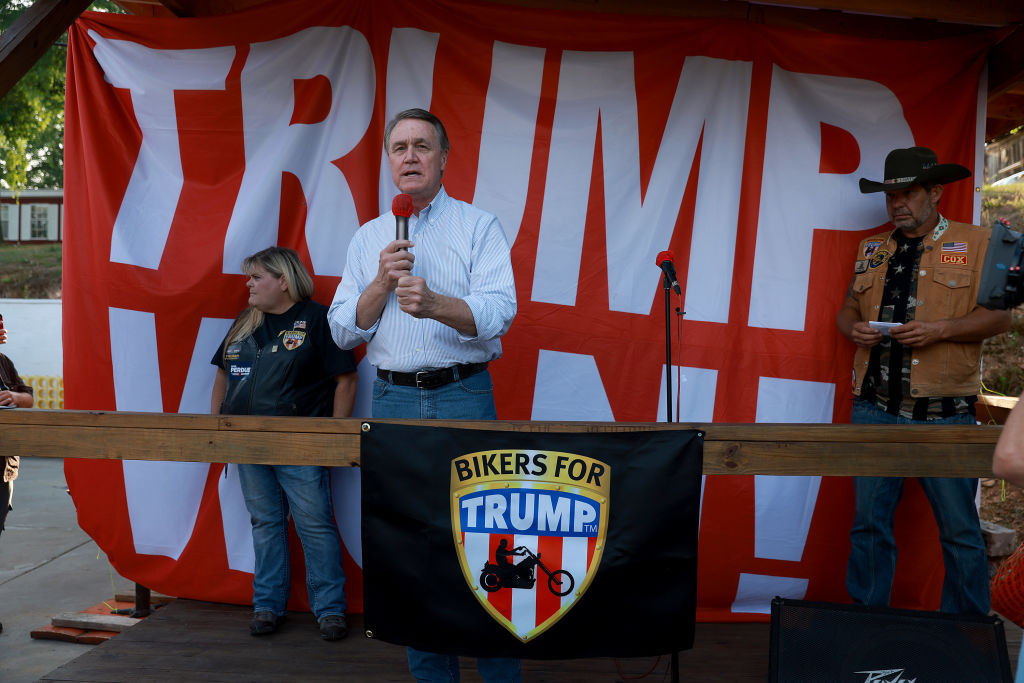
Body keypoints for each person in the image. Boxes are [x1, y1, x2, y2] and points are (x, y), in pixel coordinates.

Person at [329, 108, 518, 683]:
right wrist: (379, 285)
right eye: (399, 147)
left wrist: (435, 304)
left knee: (485, 544)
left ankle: (500, 678)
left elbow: (500, 312)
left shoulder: (478, 226)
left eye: (421, 146)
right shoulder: (369, 237)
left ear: (443, 158)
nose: (409, 156)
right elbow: (341, 332)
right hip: (394, 403)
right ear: (389, 161)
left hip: (464, 395)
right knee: (412, 551)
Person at [836, 146, 1011, 615]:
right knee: (869, 528)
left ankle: (967, 634)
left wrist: (940, 331)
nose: (897, 203)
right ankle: (865, 627)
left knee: (960, 532)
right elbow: (849, 307)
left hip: (945, 415)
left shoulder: (978, 242)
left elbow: (1001, 319)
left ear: (935, 192)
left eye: (908, 193)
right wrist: (851, 327)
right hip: (874, 409)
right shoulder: (872, 248)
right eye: (890, 195)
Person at [210, 246, 357, 641]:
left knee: (315, 526)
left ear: (284, 281)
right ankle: (267, 606)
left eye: (257, 277)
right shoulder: (245, 321)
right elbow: (223, 375)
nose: (248, 284)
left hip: (300, 445)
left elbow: (346, 379)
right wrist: (218, 428)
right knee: (265, 524)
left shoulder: (319, 319)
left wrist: (334, 438)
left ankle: (330, 610)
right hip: (247, 444)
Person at [0, 325, 33, 635]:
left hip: (4, 468)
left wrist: (15, 397)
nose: (4, 329)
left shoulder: (4, 362)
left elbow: (29, 398)